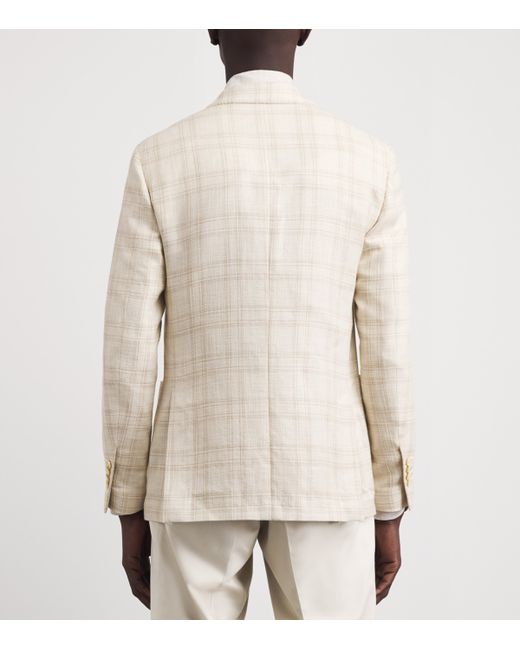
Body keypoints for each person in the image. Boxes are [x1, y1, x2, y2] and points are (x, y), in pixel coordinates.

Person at [101, 29, 415, 620]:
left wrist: (128, 502)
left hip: (195, 473)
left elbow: (128, 353)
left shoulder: (158, 160)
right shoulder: (369, 162)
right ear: (305, 30)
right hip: (326, 473)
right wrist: (389, 504)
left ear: (213, 31)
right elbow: (386, 355)